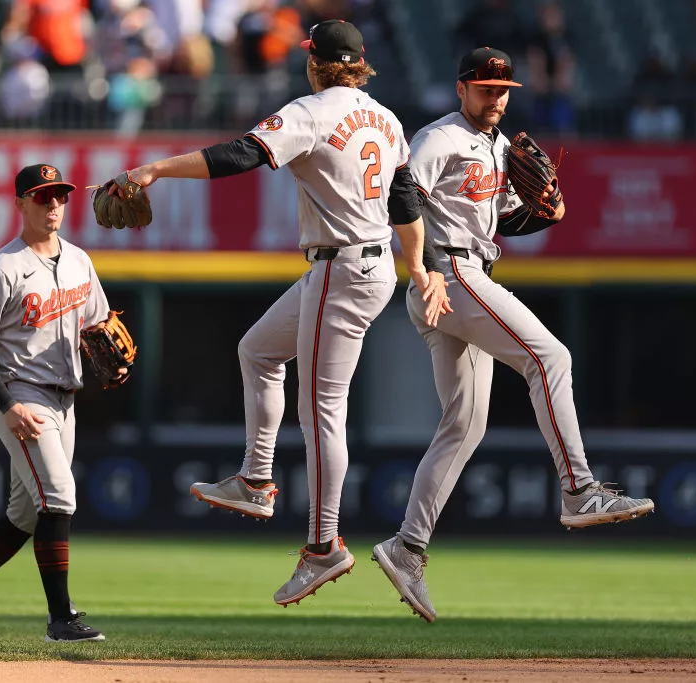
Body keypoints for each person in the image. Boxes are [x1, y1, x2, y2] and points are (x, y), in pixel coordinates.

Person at [112, 19, 448, 607]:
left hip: (339, 269)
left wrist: (156, 168)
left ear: (317, 61)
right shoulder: (386, 118)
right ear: (360, 63)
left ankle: (323, 545)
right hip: (367, 266)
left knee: (322, 413)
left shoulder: (312, 111)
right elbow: (405, 203)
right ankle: (256, 479)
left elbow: (242, 154)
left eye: (310, 56)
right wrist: (416, 266)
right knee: (259, 350)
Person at [369, 47, 655, 623]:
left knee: (465, 425)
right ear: (460, 89)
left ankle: (407, 547)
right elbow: (401, 197)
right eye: (484, 88)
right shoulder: (439, 138)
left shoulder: (500, 147)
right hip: (451, 275)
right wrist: (422, 273)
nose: (495, 98)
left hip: (467, 270)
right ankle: (579, 490)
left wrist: (544, 213)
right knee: (550, 357)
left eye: (503, 90)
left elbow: (499, 221)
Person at [0, 164, 118, 642]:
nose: (53, 205)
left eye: (59, 196)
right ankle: (60, 618)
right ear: (20, 203)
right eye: (41, 196)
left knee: (27, 513)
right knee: (59, 496)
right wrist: (6, 403)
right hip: (21, 395)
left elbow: (97, 325)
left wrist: (109, 355)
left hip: (64, 397)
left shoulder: (79, 260)